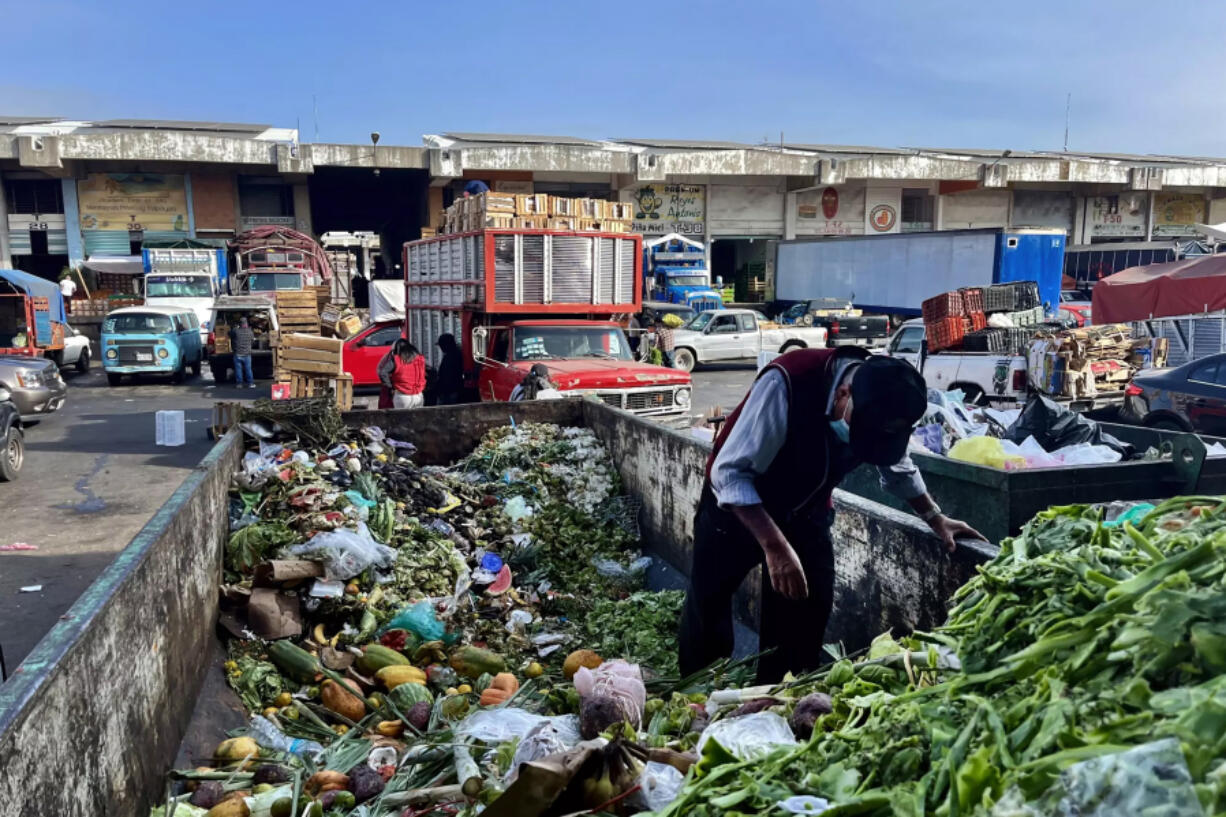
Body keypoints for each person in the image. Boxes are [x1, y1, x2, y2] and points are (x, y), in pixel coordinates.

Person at [678, 346, 984, 683]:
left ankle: (778, 698)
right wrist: (775, 547)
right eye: (858, 435)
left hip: (807, 513)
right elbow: (730, 474)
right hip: (737, 507)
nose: (859, 444)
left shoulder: (883, 397)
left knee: (805, 612)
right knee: (710, 601)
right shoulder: (788, 381)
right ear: (843, 393)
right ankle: (699, 694)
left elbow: (897, 468)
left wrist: (935, 518)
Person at [378, 339, 426, 408]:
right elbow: (432, 372)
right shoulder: (420, 359)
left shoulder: (396, 359)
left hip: (402, 396)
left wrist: (390, 387)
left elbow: (382, 372)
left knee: (401, 418)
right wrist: (425, 386)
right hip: (418, 396)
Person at [436, 334, 463, 405]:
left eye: (441, 345)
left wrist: (441, 391)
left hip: (449, 391)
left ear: (446, 345)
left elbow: (447, 376)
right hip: (453, 390)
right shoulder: (457, 353)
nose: (441, 348)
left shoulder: (450, 357)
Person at [229, 315, 255, 388]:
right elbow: (252, 341)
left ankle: (239, 384)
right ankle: (250, 383)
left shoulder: (235, 331)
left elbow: (229, 334)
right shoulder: (250, 332)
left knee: (238, 370)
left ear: (240, 324)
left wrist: (234, 327)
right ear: (246, 323)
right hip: (247, 354)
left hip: (237, 354)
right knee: (248, 369)